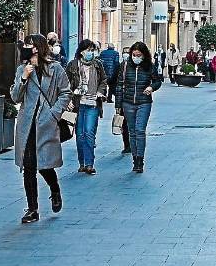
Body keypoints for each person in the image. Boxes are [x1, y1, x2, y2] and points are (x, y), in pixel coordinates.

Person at [11, 34, 72, 224]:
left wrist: (54, 113)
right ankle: (32, 209)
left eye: (28, 45)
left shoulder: (55, 69)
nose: (25, 47)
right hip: (27, 125)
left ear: (36, 48)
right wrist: (23, 77)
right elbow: (15, 97)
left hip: (46, 123)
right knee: (28, 166)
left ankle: (54, 189)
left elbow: (66, 92)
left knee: (44, 165)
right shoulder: (23, 68)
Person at [115, 42, 162, 174]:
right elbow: (119, 86)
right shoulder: (125, 66)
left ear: (144, 55)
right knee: (132, 131)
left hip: (144, 102)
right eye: (134, 55)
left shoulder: (149, 67)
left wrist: (151, 87)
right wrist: (118, 105)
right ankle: (135, 159)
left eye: (138, 55)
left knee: (140, 130)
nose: (136, 57)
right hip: (128, 102)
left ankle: (140, 160)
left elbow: (158, 81)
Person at [65, 40, 108, 175]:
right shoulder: (72, 65)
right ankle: (82, 163)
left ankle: (90, 164)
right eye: (88, 50)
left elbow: (103, 80)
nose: (90, 53)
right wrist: (68, 100)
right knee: (80, 135)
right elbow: (65, 84)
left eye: (92, 50)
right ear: (81, 51)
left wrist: (101, 91)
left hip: (93, 103)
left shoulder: (98, 64)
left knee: (89, 132)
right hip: (78, 104)